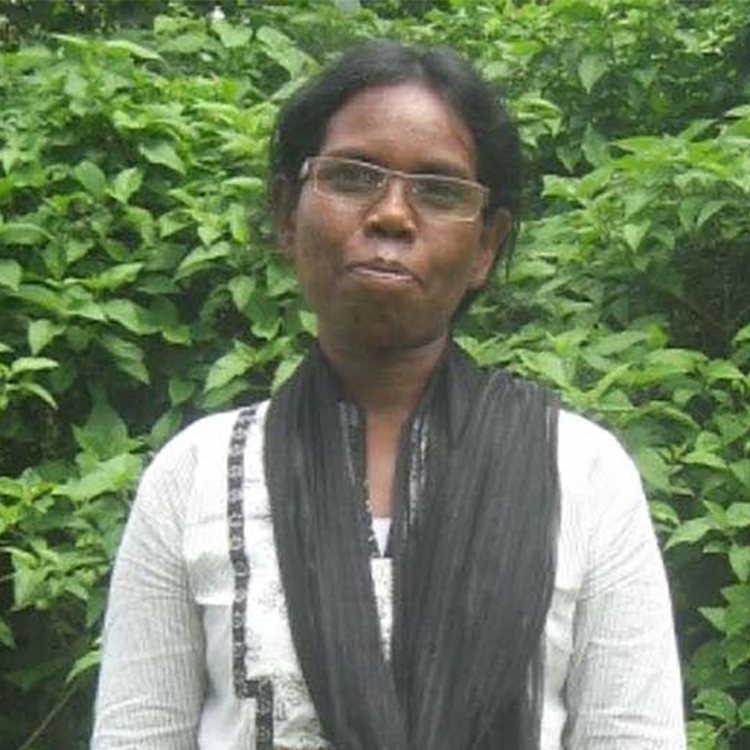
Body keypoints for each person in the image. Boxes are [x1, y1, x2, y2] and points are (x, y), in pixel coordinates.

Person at [90, 40, 686, 750]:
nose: (393, 215)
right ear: (286, 213)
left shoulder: (584, 476)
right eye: (352, 177)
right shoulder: (194, 477)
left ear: (487, 245)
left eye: (439, 190)